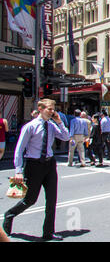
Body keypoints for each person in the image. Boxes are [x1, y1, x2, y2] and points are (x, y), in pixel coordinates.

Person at [3, 99, 69, 241]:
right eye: (49, 109)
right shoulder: (30, 127)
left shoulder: (51, 125)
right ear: (40, 109)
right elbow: (19, 149)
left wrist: (59, 122)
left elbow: (65, 136)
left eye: (53, 109)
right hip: (34, 165)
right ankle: (9, 214)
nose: (52, 112)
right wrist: (18, 171)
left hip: (50, 164)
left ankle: (48, 233)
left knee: (52, 200)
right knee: (30, 200)